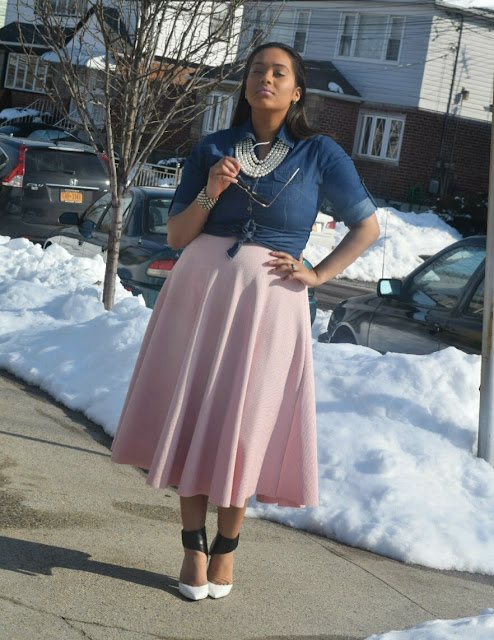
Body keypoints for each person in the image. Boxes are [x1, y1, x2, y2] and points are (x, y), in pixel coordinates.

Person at [111, 41, 380, 601]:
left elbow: (367, 227)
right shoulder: (213, 147)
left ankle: (227, 549)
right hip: (199, 295)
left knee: (245, 420)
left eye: (279, 73)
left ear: (297, 91)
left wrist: (317, 273)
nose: (266, 79)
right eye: (258, 70)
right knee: (192, 414)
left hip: (271, 306)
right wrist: (211, 191)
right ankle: (192, 547)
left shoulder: (320, 153)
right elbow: (178, 236)